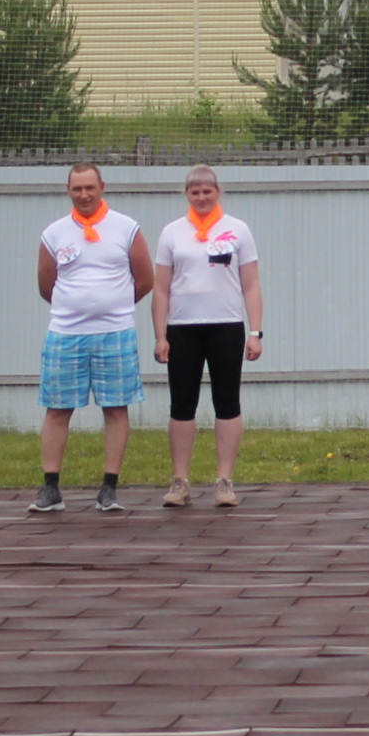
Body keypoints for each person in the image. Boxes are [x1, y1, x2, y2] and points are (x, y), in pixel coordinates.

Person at [34, 162, 156, 513]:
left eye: (90, 187)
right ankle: (50, 487)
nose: (84, 195)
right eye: (77, 189)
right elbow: (46, 285)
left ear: (102, 187)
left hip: (115, 333)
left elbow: (145, 280)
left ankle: (109, 487)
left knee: (116, 407)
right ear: (68, 190)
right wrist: (76, 308)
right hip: (65, 334)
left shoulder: (126, 228)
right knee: (57, 408)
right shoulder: (53, 233)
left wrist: (113, 305)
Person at [154, 165, 265, 508]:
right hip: (183, 328)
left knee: (227, 402)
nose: (201, 198)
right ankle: (180, 481)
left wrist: (256, 331)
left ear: (218, 192)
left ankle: (224, 481)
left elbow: (251, 284)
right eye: (195, 192)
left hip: (226, 324)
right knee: (182, 404)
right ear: (186, 195)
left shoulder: (237, 230)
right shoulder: (172, 233)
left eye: (207, 191)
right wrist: (161, 335)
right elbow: (161, 288)